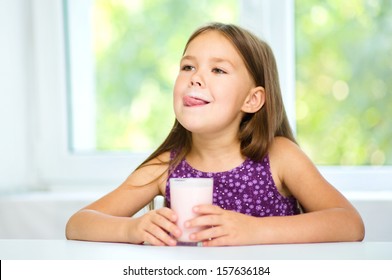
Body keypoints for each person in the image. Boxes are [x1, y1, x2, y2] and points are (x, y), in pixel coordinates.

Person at [66, 22, 365, 246]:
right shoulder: (164, 167)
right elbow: (78, 224)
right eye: (188, 66)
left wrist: (254, 230)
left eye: (218, 70)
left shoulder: (279, 157)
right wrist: (131, 229)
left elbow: (350, 224)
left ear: (252, 100)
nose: (195, 77)